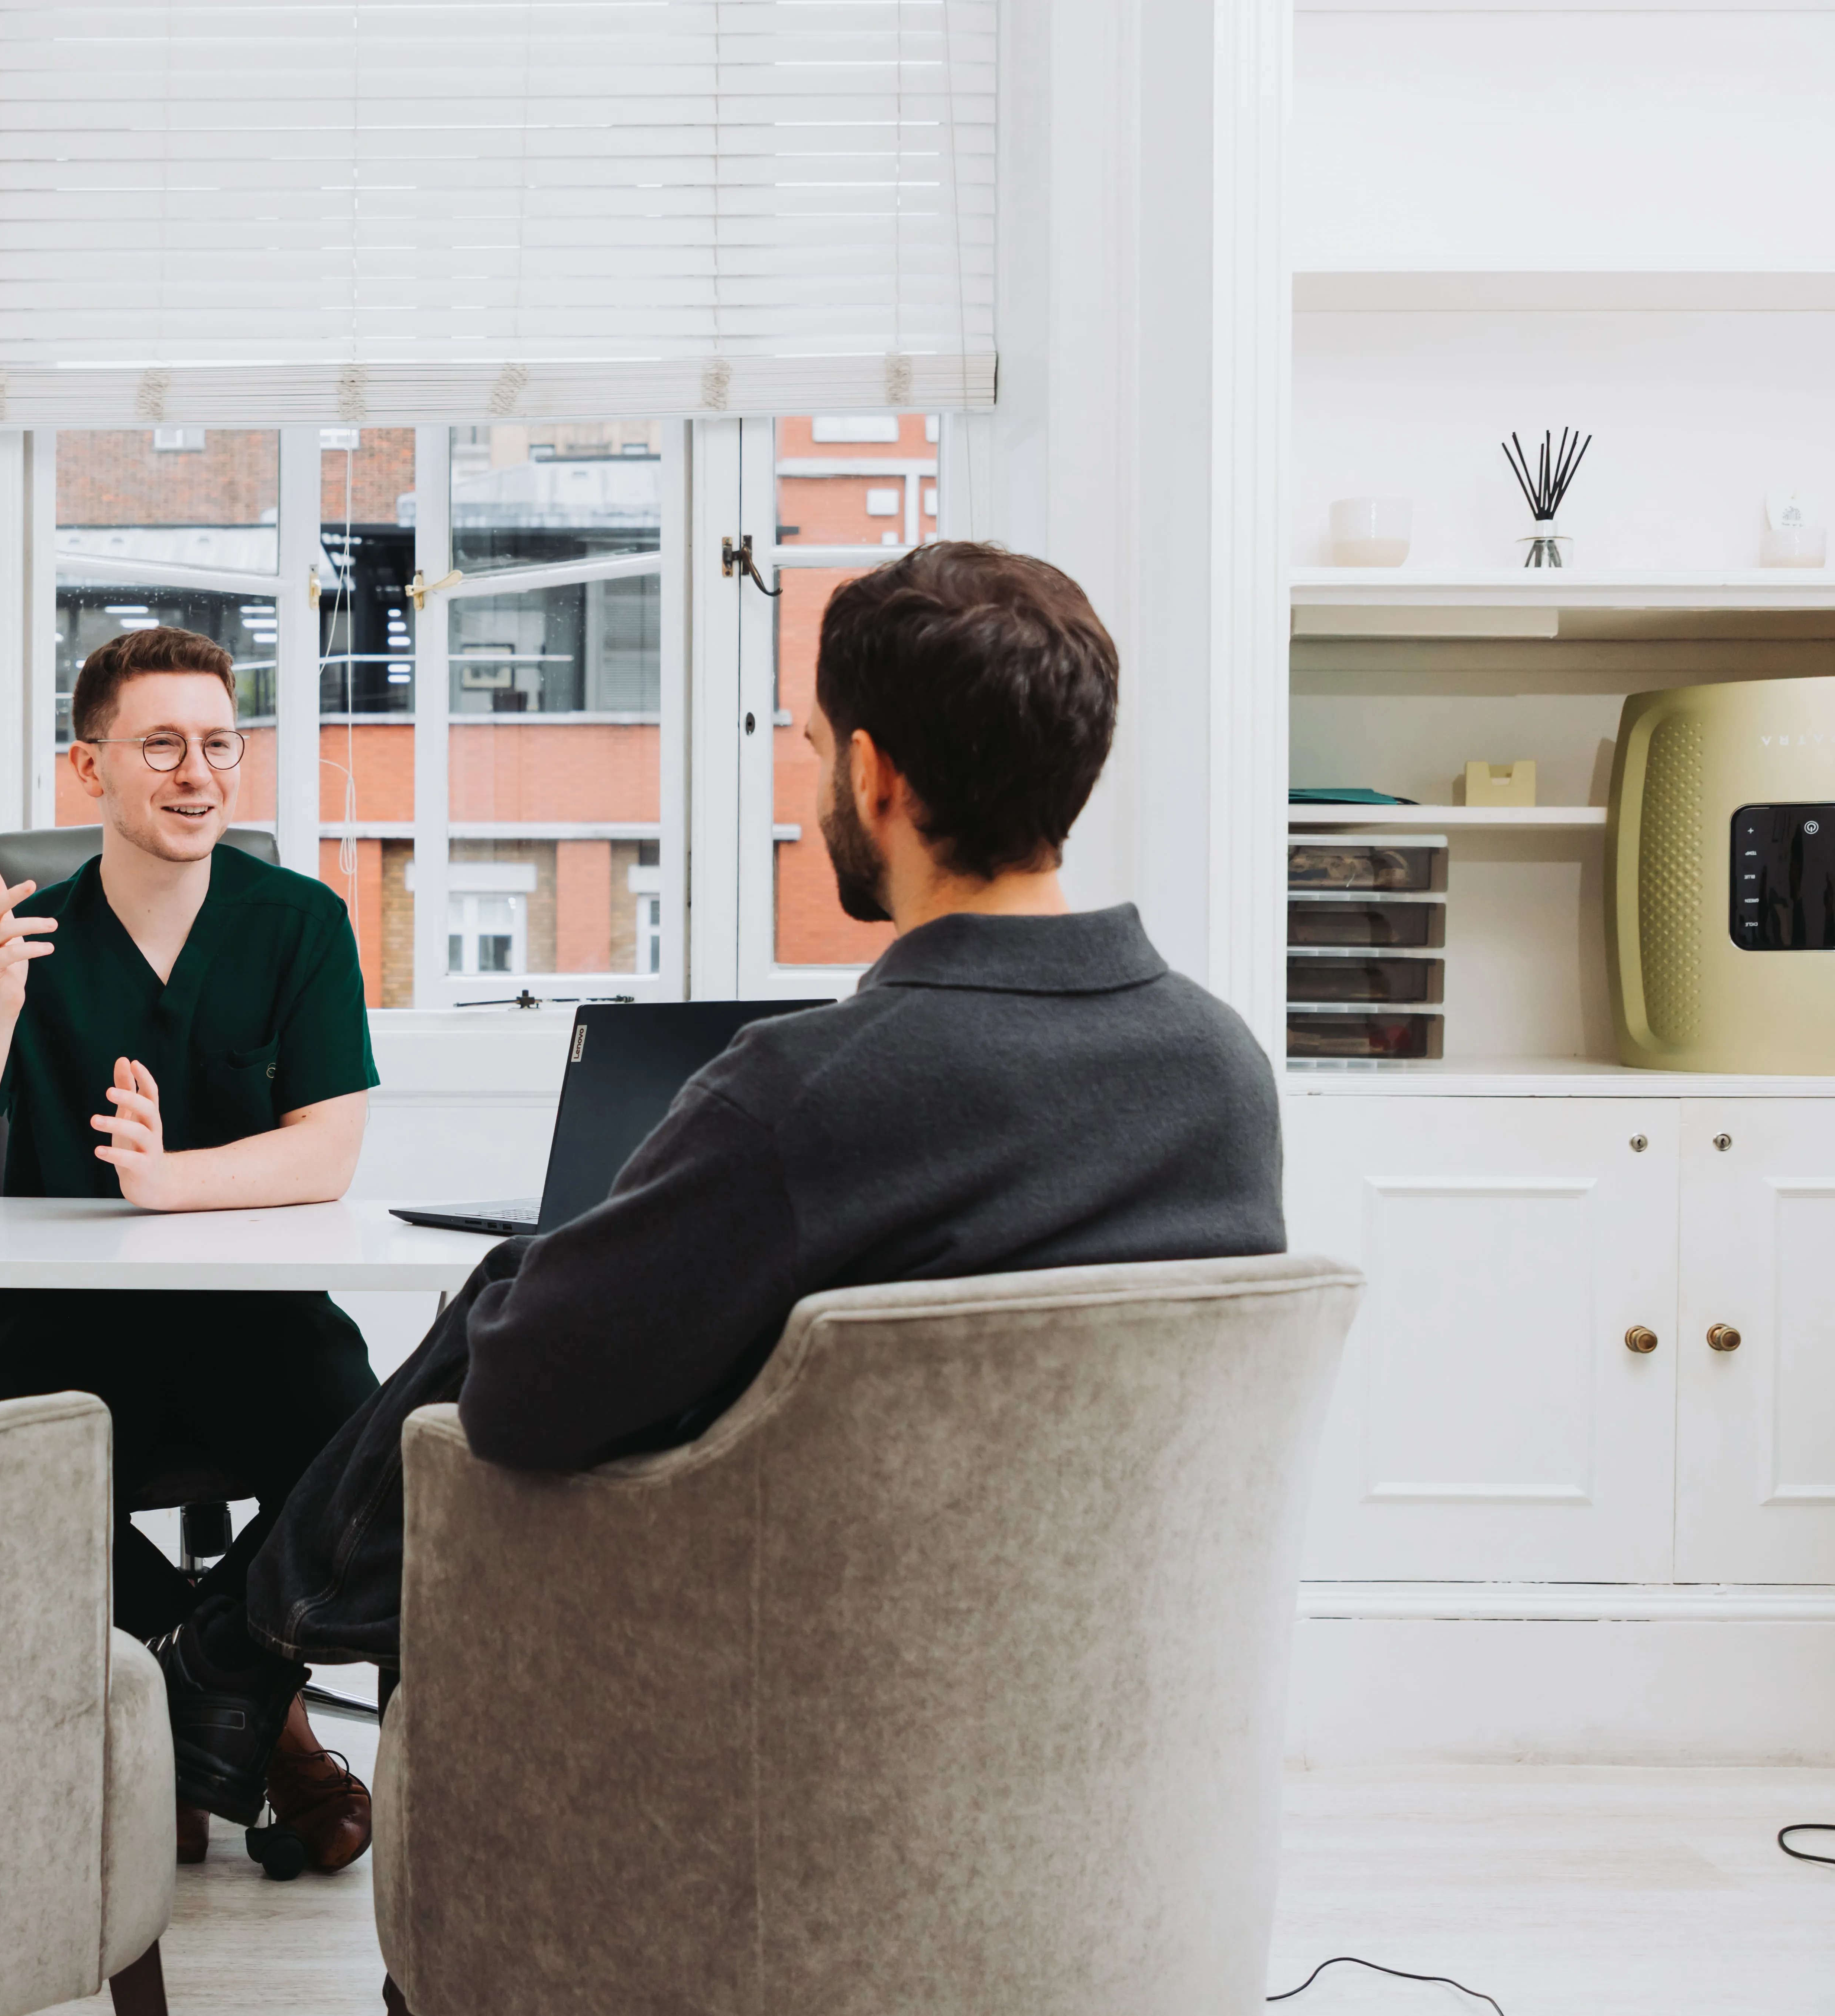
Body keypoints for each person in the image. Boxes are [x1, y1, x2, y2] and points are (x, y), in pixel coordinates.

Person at [152, 542, 1289, 1875]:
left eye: (814, 752)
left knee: (517, 1295)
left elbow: (519, 1403)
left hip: (801, 1715)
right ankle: (234, 1652)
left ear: (875, 774)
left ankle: (233, 1651)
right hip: (1113, 1730)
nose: (816, 791)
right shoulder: (1222, 1072)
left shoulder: (806, 1096)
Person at [0, 624, 378, 1873]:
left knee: (385, 1478)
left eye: (220, 744)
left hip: (262, 1325)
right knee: (0, 1503)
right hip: (73, 1332)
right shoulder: (21, 942)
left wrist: (173, 1184)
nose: (196, 773)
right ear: (86, 769)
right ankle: (260, 1720)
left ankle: (209, 1682)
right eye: (159, 744)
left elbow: (328, 1149)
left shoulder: (301, 924)